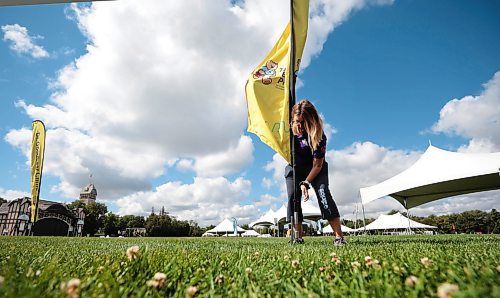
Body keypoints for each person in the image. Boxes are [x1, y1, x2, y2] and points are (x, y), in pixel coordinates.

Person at [285, 99, 346, 246]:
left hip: (315, 168)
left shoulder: (319, 136)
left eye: (302, 122)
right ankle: (297, 237)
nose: (299, 126)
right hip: (295, 168)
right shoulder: (288, 132)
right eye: (296, 121)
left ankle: (339, 237)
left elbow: (317, 165)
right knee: (293, 197)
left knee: (323, 192)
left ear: (310, 121)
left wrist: (306, 182)